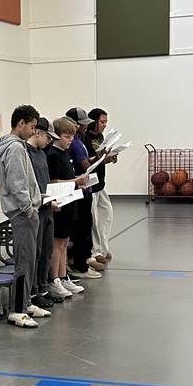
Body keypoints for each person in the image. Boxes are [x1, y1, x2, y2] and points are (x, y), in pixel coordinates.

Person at [0, 105, 45, 328]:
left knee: (31, 258)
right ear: (21, 123)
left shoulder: (20, 146)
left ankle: (26, 302)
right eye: (32, 127)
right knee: (23, 260)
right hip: (23, 212)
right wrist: (28, 207)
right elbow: (17, 183)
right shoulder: (14, 148)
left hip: (28, 209)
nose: (34, 132)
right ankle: (17, 310)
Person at [46, 117, 85, 300]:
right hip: (59, 204)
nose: (70, 140)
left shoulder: (66, 153)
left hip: (70, 202)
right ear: (56, 136)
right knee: (57, 243)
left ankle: (63, 276)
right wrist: (75, 181)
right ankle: (54, 279)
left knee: (64, 243)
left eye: (72, 136)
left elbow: (68, 178)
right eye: (66, 136)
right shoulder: (53, 155)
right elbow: (54, 182)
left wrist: (78, 183)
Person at [65, 107, 103, 278]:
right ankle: (80, 264)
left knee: (87, 225)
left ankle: (85, 258)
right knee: (81, 228)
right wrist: (99, 161)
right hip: (79, 190)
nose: (86, 127)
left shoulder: (79, 140)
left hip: (86, 188)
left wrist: (100, 157)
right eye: (82, 124)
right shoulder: (74, 143)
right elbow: (85, 166)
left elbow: (88, 161)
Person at [26, 117, 59, 309]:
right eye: (48, 136)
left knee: (47, 250)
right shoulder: (26, 154)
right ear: (37, 132)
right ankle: (33, 291)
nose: (49, 141)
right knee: (36, 253)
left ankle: (43, 286)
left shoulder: (41, 153)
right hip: (37, 208)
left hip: (48, 207)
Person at [85, 108, 116, 267]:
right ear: (94, 121)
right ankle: (95, 251)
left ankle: (103, 247)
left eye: (106, 122)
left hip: (100, 182)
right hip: (91, 182)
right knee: (94, 219)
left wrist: (109, 158)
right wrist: (101, 158)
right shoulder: (85, 137)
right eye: (102, 122)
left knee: (106, 213)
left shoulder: (100, 136)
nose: (104, 125)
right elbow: (89, 160)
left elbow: (100, 158)